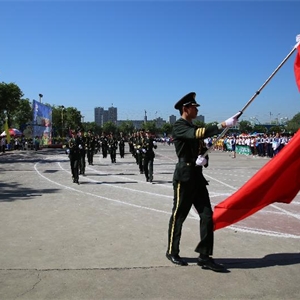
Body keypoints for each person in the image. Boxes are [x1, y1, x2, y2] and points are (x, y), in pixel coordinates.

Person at [166, 92, 240, 272]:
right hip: (184, 177)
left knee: (207, 216)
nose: (196, 109)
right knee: (179, 215)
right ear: (185, 109)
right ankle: (172, 251)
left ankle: (205, 256)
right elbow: (197, 134)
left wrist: (204, 160)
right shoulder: (179, 126)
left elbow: (202, 148)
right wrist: (223, 124)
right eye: (194, 107)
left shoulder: (193, 126)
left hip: (197, 177)